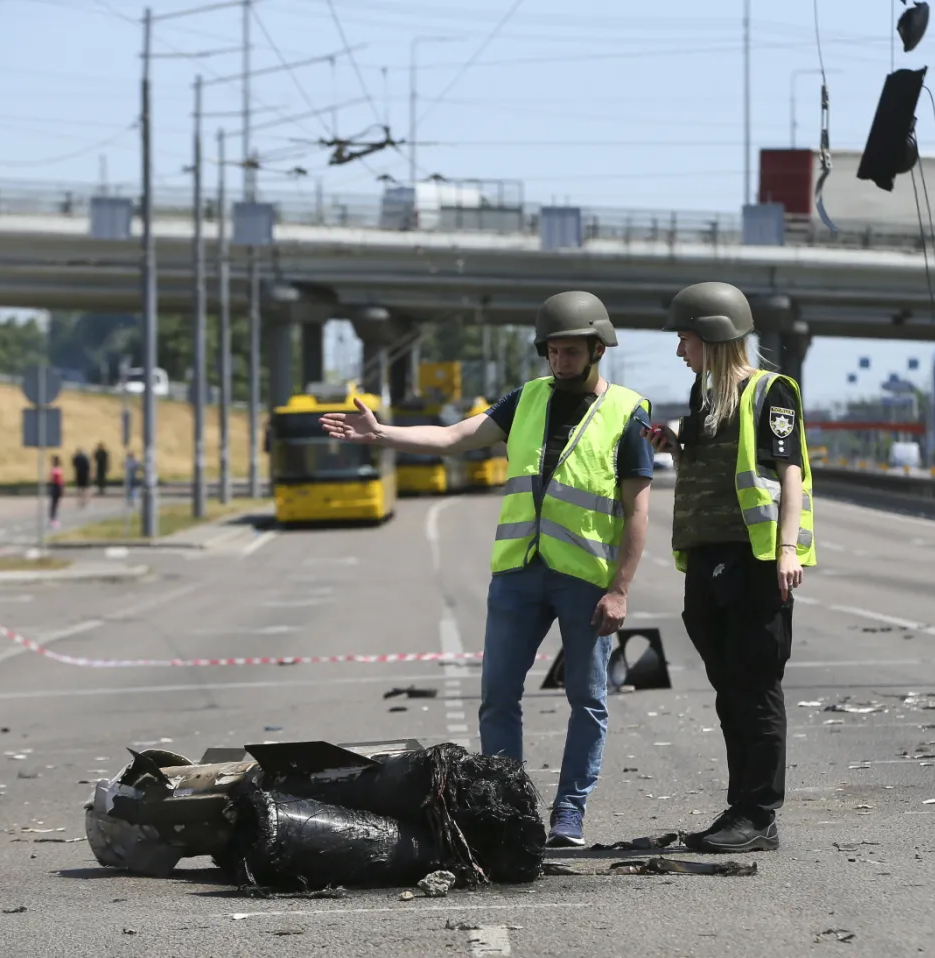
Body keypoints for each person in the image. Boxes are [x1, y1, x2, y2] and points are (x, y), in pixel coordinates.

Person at [320, 290, 654, 847]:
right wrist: (383, 434)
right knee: (498, 695)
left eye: (570, 350)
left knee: (587, 699)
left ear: (597, 349)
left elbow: (638, 508)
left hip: (584, 577)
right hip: (519, 574)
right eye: (552, 350)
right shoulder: (524, 399)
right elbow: (454, 437)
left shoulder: (628, 411)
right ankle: (507, 808)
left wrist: (620, 589)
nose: (559, 360)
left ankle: (568, 812)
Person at [645, 281, 815, 854]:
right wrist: (673, 441)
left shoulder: (771, 393)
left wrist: (787, 550)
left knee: (755, 686)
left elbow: (788, 472)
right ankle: (740, 807)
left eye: (685, 339)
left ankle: (759, 814)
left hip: (754, 558)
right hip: (708, 556)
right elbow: (713, 457)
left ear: (713, 336)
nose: (679, 351)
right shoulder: (704, 395)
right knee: (728, 690)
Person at [48, 454, 65, 529]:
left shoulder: (58, 468)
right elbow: (52, 479)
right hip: (55, 486)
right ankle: (52, 518)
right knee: (54, 503)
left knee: (56, 503)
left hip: (59, 486)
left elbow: (61, 479)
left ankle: (54, 518)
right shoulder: (54, 469)